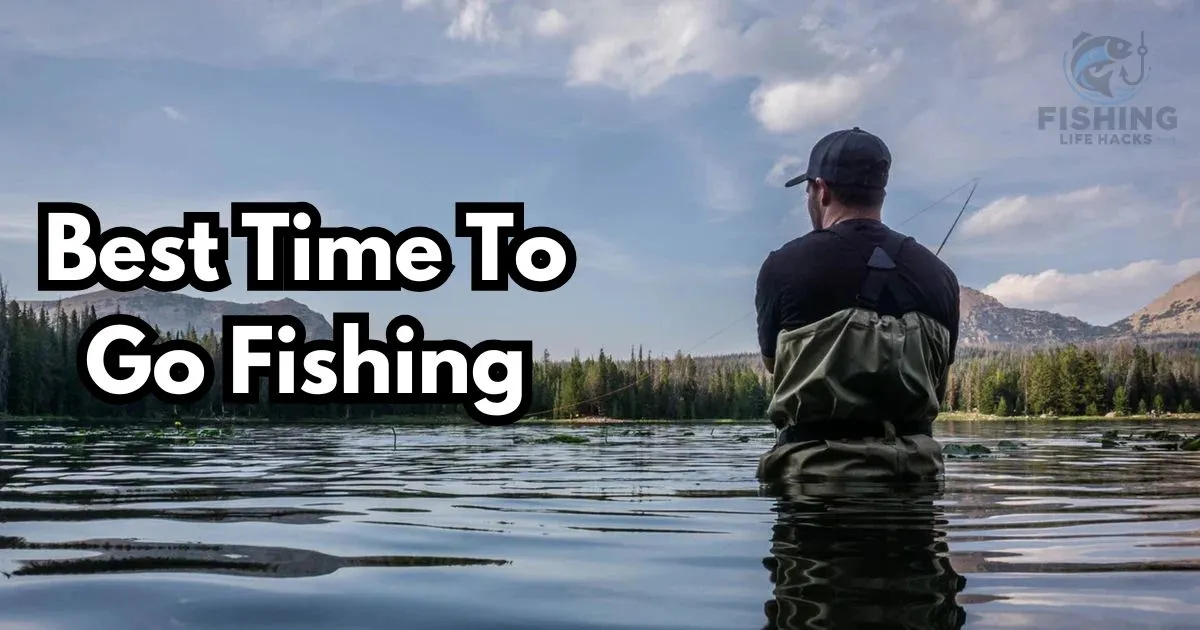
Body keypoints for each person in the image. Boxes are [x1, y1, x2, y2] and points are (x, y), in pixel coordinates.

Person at [754, 126, 960, 484]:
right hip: (915, 485)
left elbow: (774, 366)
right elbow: (939, 379)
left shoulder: (783, 266)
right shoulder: (941, 276)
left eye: (808, 190)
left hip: (812, 488)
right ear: (880, 192)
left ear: (821, 190)